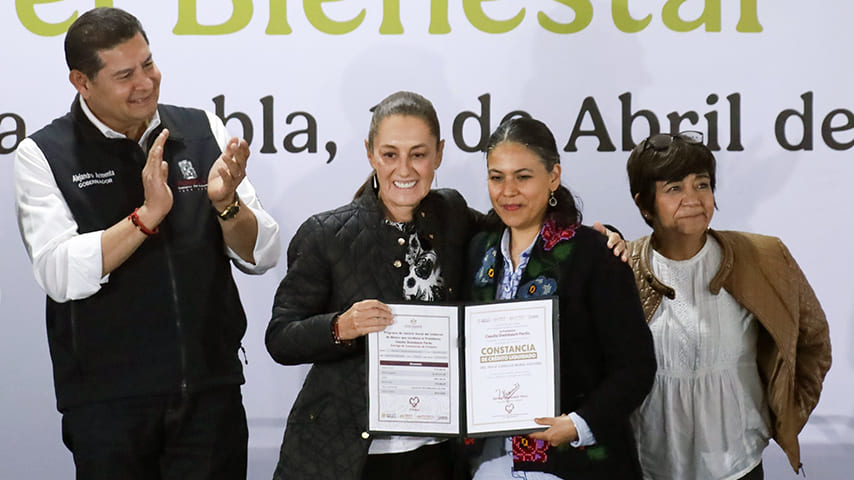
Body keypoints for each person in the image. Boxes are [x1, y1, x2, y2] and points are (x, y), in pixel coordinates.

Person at [13, 7, 281, 479]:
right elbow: (59, 272)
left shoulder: (201, 129)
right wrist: (145, 218)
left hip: (209, 393)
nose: (145, 83)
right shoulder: (44, 153)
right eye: (124, 75)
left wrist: (226, 205)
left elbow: (262, 253)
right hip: (108, 404)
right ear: (82, 81)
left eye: (148, 64)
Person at [265, 90, 479, 480]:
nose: (405, 169)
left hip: (435, 452)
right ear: (370, 153)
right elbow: (280, 337)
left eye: (418, 153)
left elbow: (521, 234)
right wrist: (339, 327)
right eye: (390, 154)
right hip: (343, 453)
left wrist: (601, 238)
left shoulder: (453, 214)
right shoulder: (325, 234)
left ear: (439, 153)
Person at [624, 131, 832, 479]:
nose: (692, 199)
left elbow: (814, 345)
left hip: (740, 466)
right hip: (647, 468)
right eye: (674, 188)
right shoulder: (621, 268)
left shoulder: (764, 257)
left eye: (701, 184)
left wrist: (782, 415)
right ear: (644, 204)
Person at [466, 117, 656, 480]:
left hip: (575, 463)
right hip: (491, 465)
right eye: (496, 177)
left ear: (553, 177)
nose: (508, 191)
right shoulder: (478, 252)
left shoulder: (594, 254)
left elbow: (636, 368)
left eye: (523, 177)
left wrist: (577, 424)